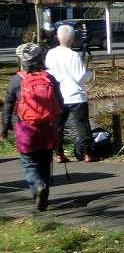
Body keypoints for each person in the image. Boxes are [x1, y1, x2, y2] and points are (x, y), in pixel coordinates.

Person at [2, 43, 63, 211]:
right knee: (44, 160)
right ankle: (45, 190)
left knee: (29, 162)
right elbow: (60, 104)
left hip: (25, 128)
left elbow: (8, 106)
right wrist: (57, 125)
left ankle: (37, 187)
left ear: (22, 61)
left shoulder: (17, 80)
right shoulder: (49, 79)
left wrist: (5, 127)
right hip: (47, 127)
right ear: (40, 58)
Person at [45, 23, 94, 163]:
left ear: (58, 38)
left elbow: (49, 74)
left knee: (58, 126)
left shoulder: (51, 54)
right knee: (82, 125)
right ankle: (86, 153)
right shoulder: (74, 55)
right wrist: (90, 74)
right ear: (72, 39)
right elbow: (80, 77)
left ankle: (59, 154)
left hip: (58, 96)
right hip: (76, 96)